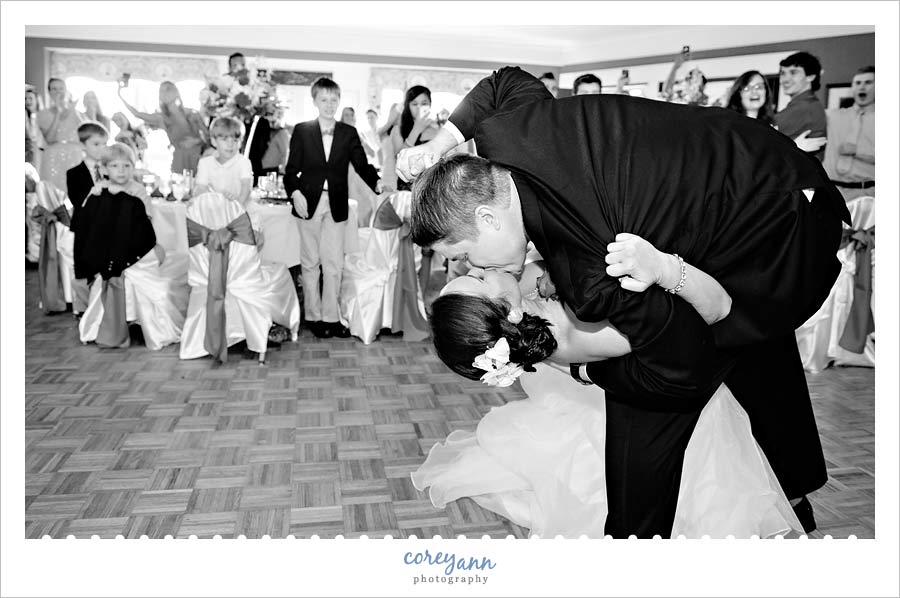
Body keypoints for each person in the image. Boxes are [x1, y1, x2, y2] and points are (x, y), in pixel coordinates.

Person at [399, 66, 850, 537]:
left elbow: (682, 369)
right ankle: (791, 492)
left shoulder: (596, 270)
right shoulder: (519, 135)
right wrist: (441, 144)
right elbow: (507, 82)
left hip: (783, 232)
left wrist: (590, 369)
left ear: (488, 218)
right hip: (761, 155)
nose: (476, 269)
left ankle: (634, 544)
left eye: (466, 257)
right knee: (754, 354)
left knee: (717, 355)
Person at [421, 244, 802, 537]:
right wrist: (670, 272)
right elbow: (668, 334)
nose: (476, 268)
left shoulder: (520, 303)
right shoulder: (573, 335)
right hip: (673, 376)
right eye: (478, 278)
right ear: (503, 309)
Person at [283, 77, 383, 339]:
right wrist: (295, 193)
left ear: (339, 101)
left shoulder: (348, 133)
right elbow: (291, 171)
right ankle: (314, 316)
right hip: (308, 203)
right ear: (314, 101)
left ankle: (331, 316)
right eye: (324, 99)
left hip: (337, 203)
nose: (329, 105)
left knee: (333, 263)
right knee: (310, 262)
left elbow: (362, 165)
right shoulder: (302, 130)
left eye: (334, 99)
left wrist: (379, 184)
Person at [118, 80, 209, 174]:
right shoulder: (161, 118)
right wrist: (120, 94)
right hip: (179, 160)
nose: (164, 93)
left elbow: (209, 136)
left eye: (168, 89)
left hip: (199, 157)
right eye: (161, 91)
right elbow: (137, 114)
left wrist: (196, 141)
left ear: (176, 92)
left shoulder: (192, 113)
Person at [67, 121, 110, 316]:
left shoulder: (110, 170)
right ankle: (83, 309)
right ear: (83, 145)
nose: (101, 149)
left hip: (107, 226)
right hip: (85, 227)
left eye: (104, 144)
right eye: (96, 144)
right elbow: (77, 200)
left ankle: (105, 306)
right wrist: (93, 191)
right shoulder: (74, 173)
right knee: (84, 269)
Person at [822, 66, 875, 202]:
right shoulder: (832, 116)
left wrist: (858, 151)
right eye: (857, 83)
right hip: (831, 192)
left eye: (868, 83)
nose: (862, 87)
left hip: (866, 195)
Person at [383, 86, 441, 193]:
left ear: (430, 104)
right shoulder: (398, 129)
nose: (419, 107)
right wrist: (416, 130)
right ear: (408, 106)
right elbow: (399, 158)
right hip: (407, 191)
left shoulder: (438, 131)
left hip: (432, 189)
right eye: (414, 104)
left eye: (424, 103)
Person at [774, 52, 827, 160]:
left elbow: (762, 139)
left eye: (793, 72)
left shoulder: (806, 108)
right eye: (783, 73)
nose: (785, 79)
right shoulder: (809, 105)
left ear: (810, 77)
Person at [36, 78, 84, 190]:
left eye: (61, 88)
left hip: (74, 155)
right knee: (53, 192)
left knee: (76, 190)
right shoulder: (42, 114)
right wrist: (58, 112)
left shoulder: (76, 112)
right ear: (49, 92)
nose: (58, 92)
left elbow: (86, 133)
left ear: (66, 90)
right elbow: (50, 139)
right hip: (53, 157)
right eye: (54, 89)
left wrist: (72, 110)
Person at [194, 116, 253, 207]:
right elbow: (201, 188)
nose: (230, 145)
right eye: (224, 140)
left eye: (235, 140)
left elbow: (246, 188)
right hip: (212, 208)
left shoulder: (243, 163)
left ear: (241, 142)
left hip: (238, 210)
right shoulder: (205, 163)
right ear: (214, 141)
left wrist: (237, 206)